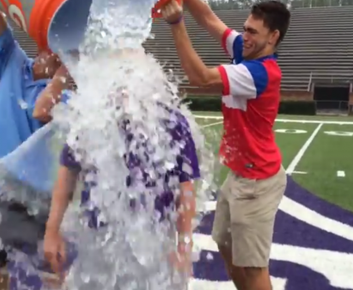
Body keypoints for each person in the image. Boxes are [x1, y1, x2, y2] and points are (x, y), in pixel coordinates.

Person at [160, 1, 290, 289]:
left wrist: (176, 23)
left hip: (257, 182)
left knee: (253, 268)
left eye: (254, 32)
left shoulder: (260, 72)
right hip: (240, 174)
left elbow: (201, 77)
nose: (245, 36)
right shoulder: (245, 49)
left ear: (273, 37)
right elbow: (208, 17)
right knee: (226, 246)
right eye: (245, 28)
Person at [42, 92, 201, 287]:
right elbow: (67, 173)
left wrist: (185, 244)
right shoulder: (92, 119)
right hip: (98, 238)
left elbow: (185, 187)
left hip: (154, 242)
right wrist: (52, 231)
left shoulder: (171, 120)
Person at [0, 0, 72, 289]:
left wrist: (63, 76)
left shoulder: (65, 98)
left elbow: (41, 111)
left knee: (52, 269)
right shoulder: (11, 60)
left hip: (37, 192)